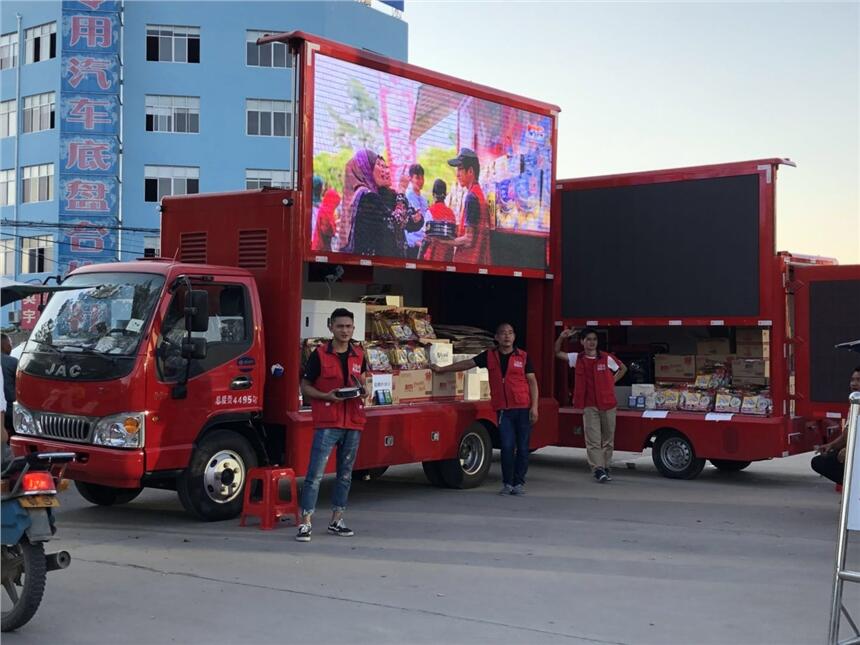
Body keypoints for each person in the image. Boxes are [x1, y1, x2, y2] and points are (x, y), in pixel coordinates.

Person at [431, 323, 539, 495]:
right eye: (503, 333)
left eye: (510, 333)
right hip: (503, 410)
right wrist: (442, 369)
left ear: (514, 337)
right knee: (507, 446)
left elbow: (532, 382)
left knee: (523, 448)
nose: (507, 336)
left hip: (522, 408)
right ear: (496, 337)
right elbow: (467, 364)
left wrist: (534, 407)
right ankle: (507, 483)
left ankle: (519, 483)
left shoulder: (523, 357)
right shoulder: (490, 356)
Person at [297, 308, 367, 542]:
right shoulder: (319, 355)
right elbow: (305, 387)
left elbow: (364, 381)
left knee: (345, 475)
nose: (345, 330)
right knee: (315, 474)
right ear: (331, 327)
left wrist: (363, 390)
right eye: (340, 326)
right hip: (328, 422)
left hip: (353, 421)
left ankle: (337, 520)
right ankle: (305, 522)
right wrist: (327, 396)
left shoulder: (359, 354)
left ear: (353, 328)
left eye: (348, 326)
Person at [555, 327, 627, 483]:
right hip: (589, 405)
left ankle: (606, 466)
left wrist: (611, 382)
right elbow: (557, 353)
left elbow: (623, 369)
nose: (591, 342)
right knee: (593, 440)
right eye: (588, 339)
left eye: (594, 339)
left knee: (608, 439)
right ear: (582, 342)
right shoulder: (577, 358)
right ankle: (598, 469)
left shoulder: (606, 358)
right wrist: (561, 338)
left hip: (608, 404)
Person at [440, 148, 491, 265]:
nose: (457, 174)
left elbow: (468, 240)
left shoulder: (471, 197)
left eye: (460, 169)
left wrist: (443, 241)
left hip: (467, 263)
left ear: (471, 171)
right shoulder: (478, 193)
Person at [347, 151, 403, 258]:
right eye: (377, 165)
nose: (384, 171)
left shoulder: (362, 192)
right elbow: (397, 220)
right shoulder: (369, 197)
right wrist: (402, 191)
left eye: (385, 167)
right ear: (367, 169)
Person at [811, 366, 860, 485]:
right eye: (852, 380)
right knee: (821, 461)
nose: (854, 383)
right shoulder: (854, 403)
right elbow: (848, 433)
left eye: (859, 380)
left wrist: (850, 450)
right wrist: (831, 445)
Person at [423, 179, 457, 263]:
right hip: (447, 256)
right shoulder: (451, 213)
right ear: (445, 194)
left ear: (433, 194)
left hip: (432, 256)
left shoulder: (430, 211)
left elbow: (425, 236)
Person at [403, 164, 429, 259]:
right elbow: (405, 226)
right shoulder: (407, 197)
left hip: (423, 244)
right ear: (410, 179)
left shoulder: (424, 200)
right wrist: (415, 241)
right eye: (417, 178)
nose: (421, 181)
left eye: (422, 178)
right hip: (412, 245)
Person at [311, 177, 341, 252]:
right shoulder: (325, 211)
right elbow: (326, 229)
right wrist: (334, 230)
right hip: (320, 248)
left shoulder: (324, 208)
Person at [1, 333, 17, 434]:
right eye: (10, 343)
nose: (11, 346)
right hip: (10, 410)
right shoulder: (13, 362)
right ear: (5, 345)